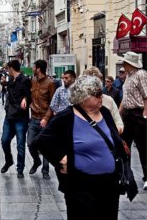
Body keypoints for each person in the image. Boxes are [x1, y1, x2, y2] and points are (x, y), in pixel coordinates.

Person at [33, 75, 126, 220]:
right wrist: (62, 159)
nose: (102, 96)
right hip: (81, 186)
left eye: (101, 92)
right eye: (97, 94)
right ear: (83, 97)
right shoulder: (67, 117)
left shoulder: (106, 114)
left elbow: (114, 140)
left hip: (109, 185)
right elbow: (41, 141)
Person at [117, 52, 147, 190]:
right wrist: (117, 115)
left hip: (139, 114)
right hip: (128, 115)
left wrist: (145, 114)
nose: (122, 64)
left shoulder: (141, 74)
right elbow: (125, 99)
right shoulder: (128, 76)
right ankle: (125, 174)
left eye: (124, 62)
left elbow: (146, 95)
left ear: (130, 63)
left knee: (143, 147)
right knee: (124, 145)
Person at [1, 59, 31, 178]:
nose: (7, 71)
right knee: (4, 141)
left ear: (11, 68)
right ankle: (9, 160)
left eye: (8, 69)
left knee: (20, 143)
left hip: (20, 117)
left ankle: (20, 168)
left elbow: (30, 96)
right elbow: (9, 95)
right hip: (9, 116)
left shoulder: (25, 80)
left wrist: (26, 99)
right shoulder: (10, 81)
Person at [27, 60, 56, 180]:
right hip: (33, 118)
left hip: (45, 119)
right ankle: (36, 161)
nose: (32, 68)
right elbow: (28, 95)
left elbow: (53, 104)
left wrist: (46, 118)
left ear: (38, 69)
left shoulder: (50, 83)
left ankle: (45, 170)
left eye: (34, 67)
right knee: (30, 143)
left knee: (46, 145)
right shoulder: (32, 81)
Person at [82, 66, 124, 134]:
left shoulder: (109, 100)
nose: (94, 86)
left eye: (97, 83)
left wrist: (111, 132)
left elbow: (119, 124)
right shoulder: (78, 103)